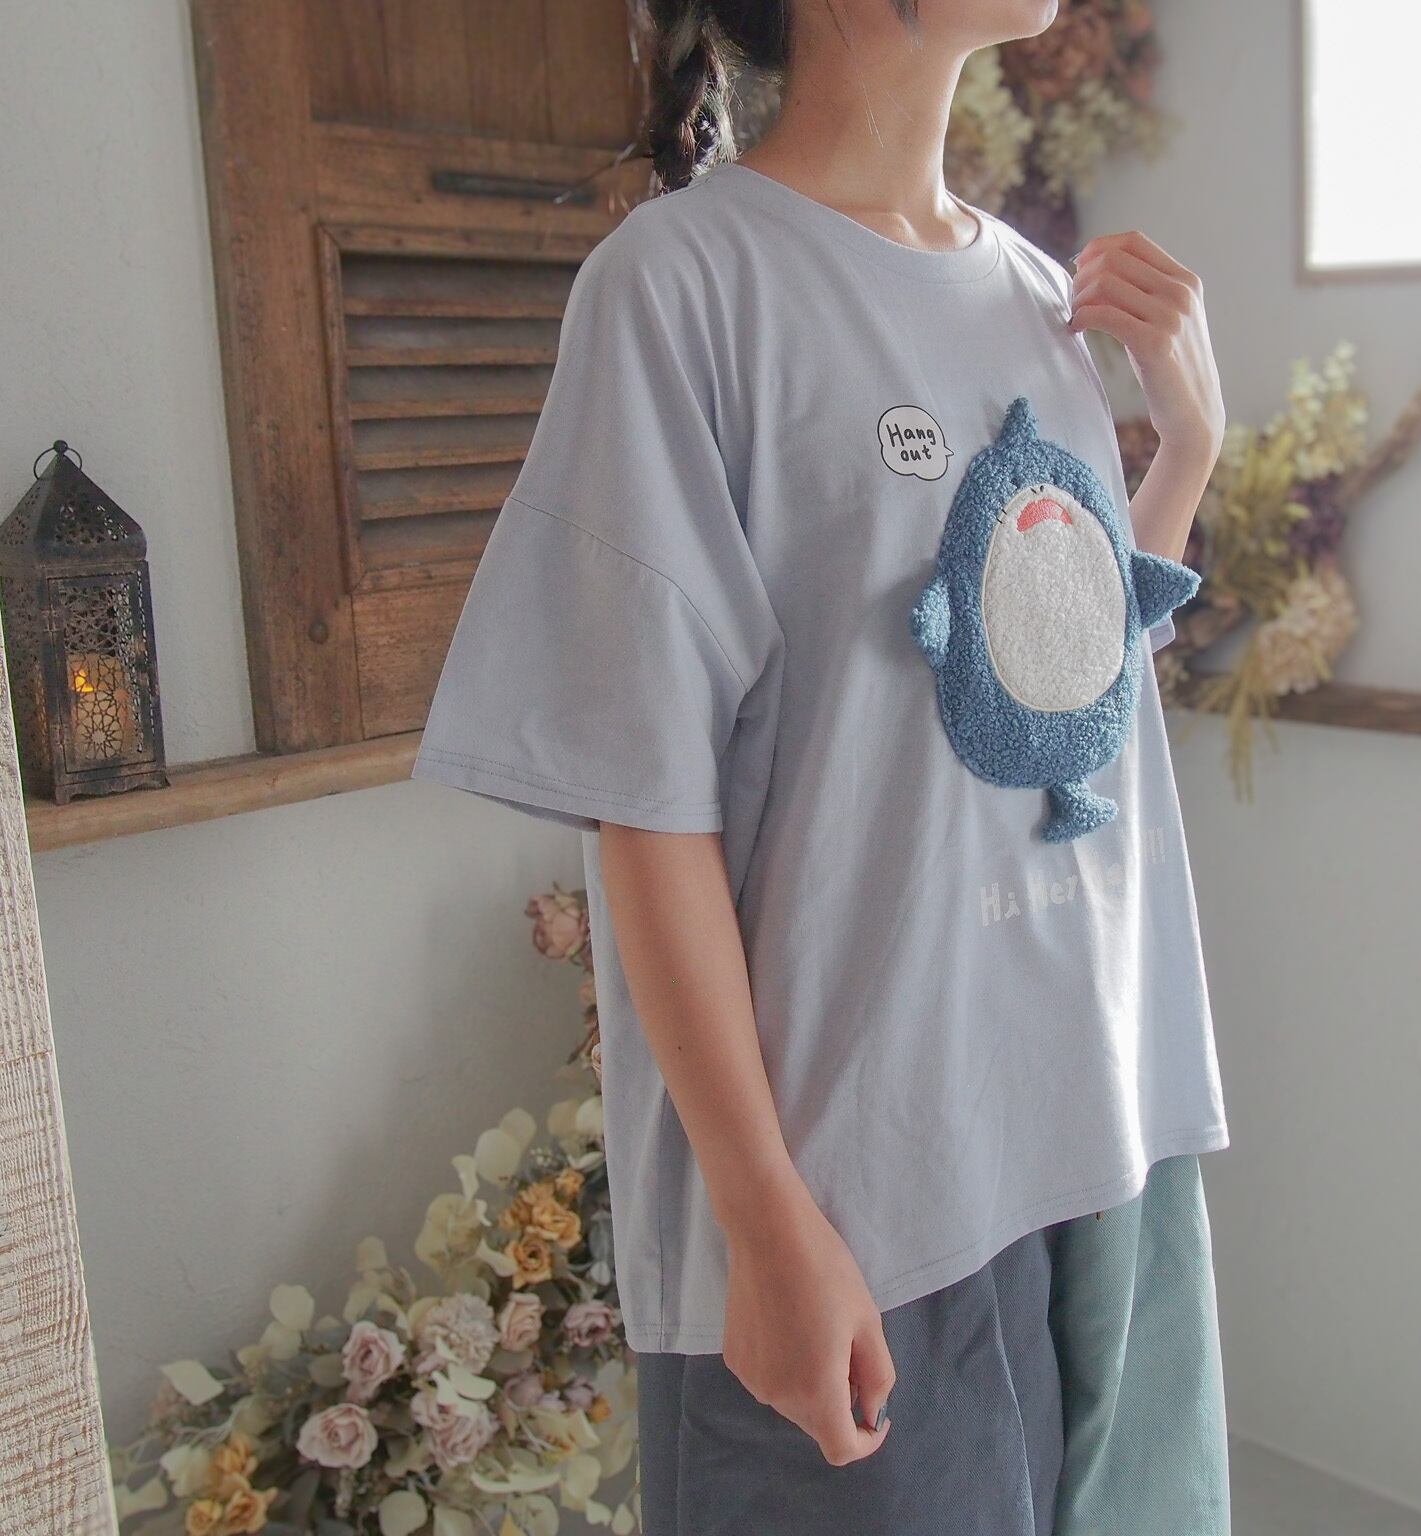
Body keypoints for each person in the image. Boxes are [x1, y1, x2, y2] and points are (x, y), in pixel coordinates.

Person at [412, 1, 1230, 1530]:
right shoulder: (683, 285)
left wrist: (1184, 451)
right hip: (858, 1195)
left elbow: (1072, 691)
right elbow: (643, 800)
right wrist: (764, 1216)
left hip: (1090, 1129)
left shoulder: (1042, 297)